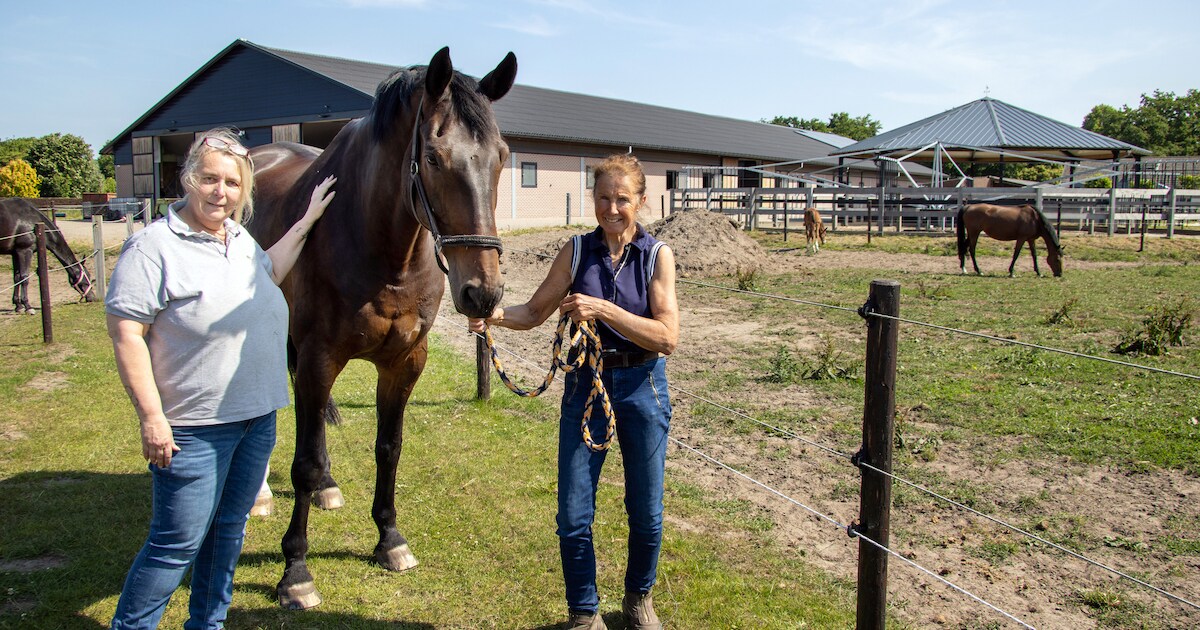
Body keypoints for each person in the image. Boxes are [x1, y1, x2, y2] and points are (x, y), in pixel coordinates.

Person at [105, 128, 336, 630]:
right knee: (176, 545)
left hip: (257, 419)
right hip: (193, 428)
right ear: (188, 179)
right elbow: (127, 334)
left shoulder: (237, 238)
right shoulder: (153, 247)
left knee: (228, 533)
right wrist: (151, 418)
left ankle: (207, 624)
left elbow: (269, 270)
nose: (220, 192)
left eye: (231, 183)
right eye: (209, 179)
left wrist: (310, 217)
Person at [470, 154, 678, 630]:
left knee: (645, 510)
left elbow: (667, 336)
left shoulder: (655, 255)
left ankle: (638, 600)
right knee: (573, 509)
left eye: (622, 199)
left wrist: (602, 310)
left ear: (641, 201)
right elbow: (536, 310)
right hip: (586, 381)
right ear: (593, 199)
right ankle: (585, 614)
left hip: (643, 385)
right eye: (603, 197)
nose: (611, 208)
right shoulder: (577, 251)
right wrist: (494, 318)